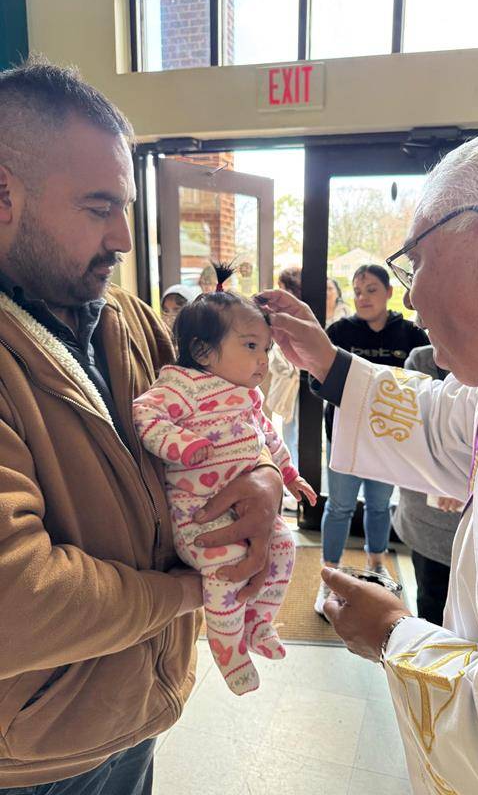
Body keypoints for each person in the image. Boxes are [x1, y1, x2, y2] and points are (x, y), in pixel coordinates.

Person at [258, 128, 478, 793]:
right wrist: (327, 365)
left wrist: (390, 632)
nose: (409, 299)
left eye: (415, 266)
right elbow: (450, 422)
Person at [0, 60, 283, 792]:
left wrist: (262, 477)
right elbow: (16, 602)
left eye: (124, 206)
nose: (125, 238)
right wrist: (190, 594)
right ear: (3, 195)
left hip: (137, 715)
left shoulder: (125, 319)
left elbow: (224, 412)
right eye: (99, 208)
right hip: (34, 760)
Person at [133, 268, 315, 695]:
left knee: (285, 547)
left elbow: (269, 438)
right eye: (251, 346)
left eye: (266, 349)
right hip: (200, 517)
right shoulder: (183, 385)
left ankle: (260, 624)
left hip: (246, 509)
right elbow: (146, 414)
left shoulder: (249, 397)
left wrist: (288, 474)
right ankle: (229, 652)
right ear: (202, 350)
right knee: (224, 570)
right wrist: (179, 445)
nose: (263, 360)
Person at [315, 264, 427, 616]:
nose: (362, 297)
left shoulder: (409, 334)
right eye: (358, 291)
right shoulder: (338, 332)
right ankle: (328, 576)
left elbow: (426, 385)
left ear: (390, 293)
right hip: (345, 438)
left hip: (387, 441)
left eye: (371, 290)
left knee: (380, 506)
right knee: (340, 507)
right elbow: (315, 380)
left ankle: (376, 566)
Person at [393, 345, 462, 625]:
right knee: (432, 605)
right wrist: (441, 480)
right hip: (429, 524)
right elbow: (407, 434)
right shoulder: (421, 361)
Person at [267, 267, 302, 509]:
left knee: (294, 433)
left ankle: (294, 480)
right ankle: (293, 479)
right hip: (292, 383)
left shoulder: (299, 315)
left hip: (304, 383)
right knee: (288, 431)